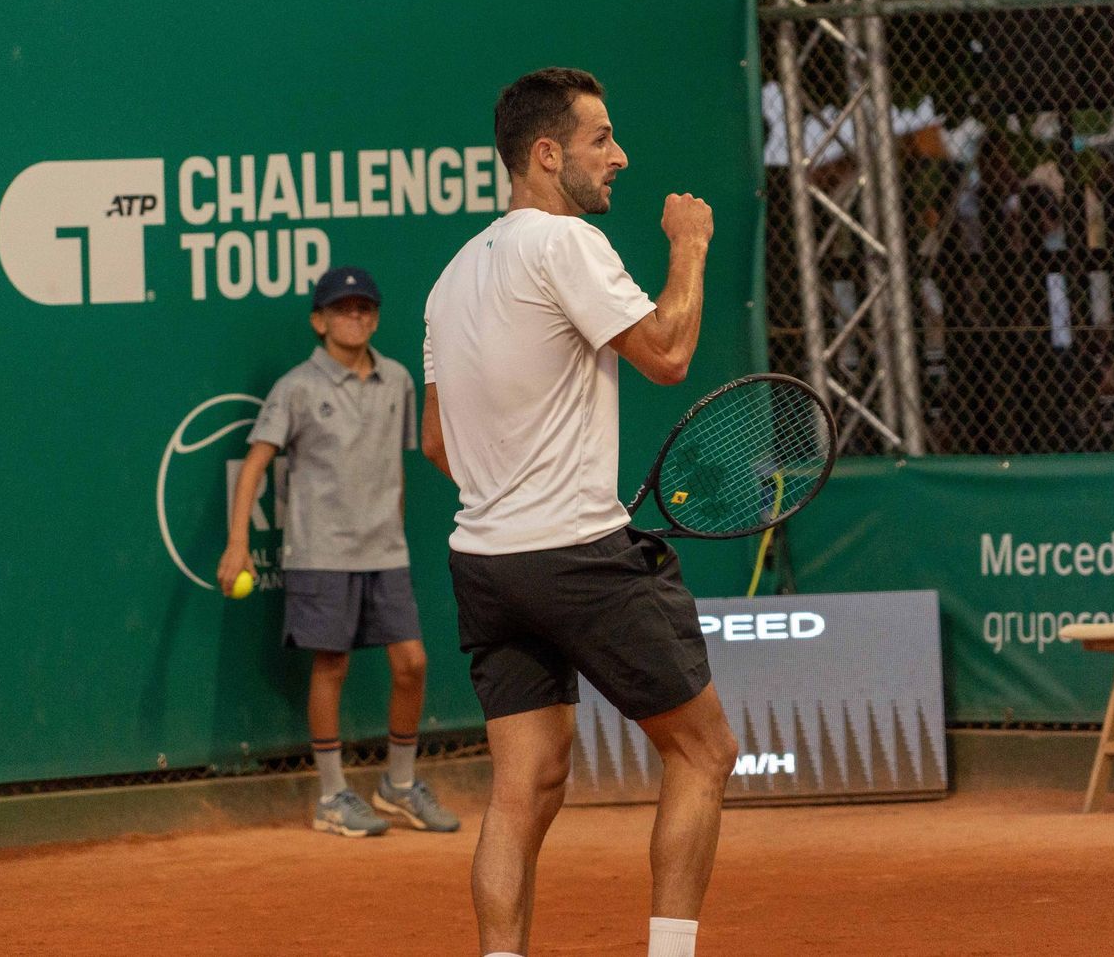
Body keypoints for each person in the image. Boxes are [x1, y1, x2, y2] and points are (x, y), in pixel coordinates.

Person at [421, 68, 737, 957]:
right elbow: (667, 354)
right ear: (547, 154)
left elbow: (438, 442)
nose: (619, 156)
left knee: (522, 787)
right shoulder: (566, 244)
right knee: (703, 753)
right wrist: (690, 246)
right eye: (601, 139)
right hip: (578, 556)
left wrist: (518, 485)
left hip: (485, 565)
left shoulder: (450, 280)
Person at [217, 265, 460, 838]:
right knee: (332, 665)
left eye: (364, 308)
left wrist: (395, 534)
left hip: (385, 551)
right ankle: (331, 796)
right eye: (342, 309)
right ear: (318, 321)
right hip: (321, 553)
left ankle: (399, 785)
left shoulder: (398, 380)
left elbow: (396, 467)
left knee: (413, 663)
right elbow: (254, 465)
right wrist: (238, 543)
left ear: (375, 319)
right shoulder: (296, 387)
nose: (355, 316)